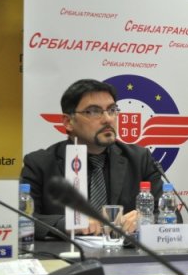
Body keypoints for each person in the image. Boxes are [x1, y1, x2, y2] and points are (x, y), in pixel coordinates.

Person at [20, 79, 162, 239]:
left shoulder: (139, 159)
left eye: (112, 110)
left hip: (123, 252)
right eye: (94, 111)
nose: (108, 119)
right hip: (66, 253)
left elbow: (171, 215)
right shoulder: (40, 164)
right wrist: (68, 223)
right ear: (68, 122)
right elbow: (21, 218)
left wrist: (146, 219)